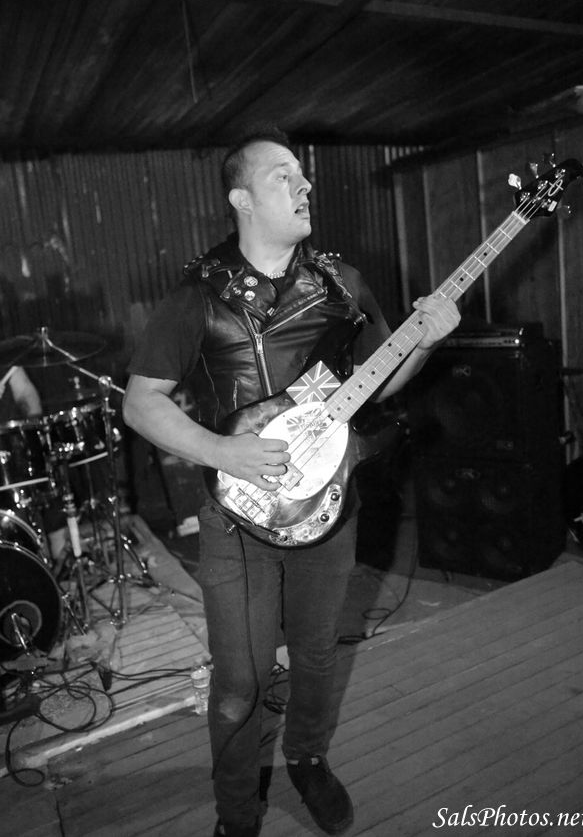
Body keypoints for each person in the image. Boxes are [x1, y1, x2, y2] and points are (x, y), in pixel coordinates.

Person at [122, 126, 460, 837]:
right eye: (284, 176)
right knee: (239, 683)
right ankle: (236, 814)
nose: (305, 185)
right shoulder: (199, 296)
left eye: (303, 175)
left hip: (328, 502)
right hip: (235, 516)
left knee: (315, 654)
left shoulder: (342, 284)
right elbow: (142, 402)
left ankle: (306, 757)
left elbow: (380, 382)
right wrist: (223, 451)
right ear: (241, 199)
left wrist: (425, 343)